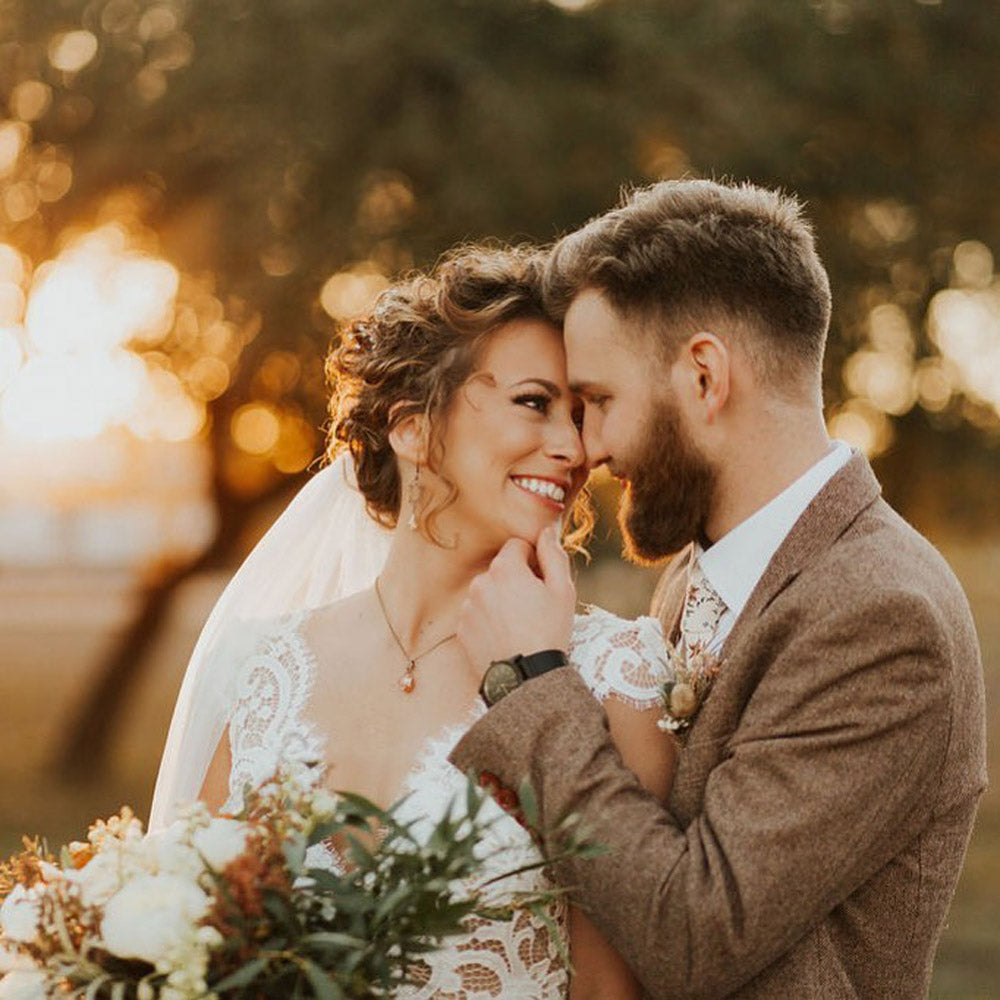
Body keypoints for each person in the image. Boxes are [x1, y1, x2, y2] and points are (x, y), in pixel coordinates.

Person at [449, 180, 988, 998]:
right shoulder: (698, 573)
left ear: (703, 376)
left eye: (598, 401)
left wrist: (529, 677)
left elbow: (697, 934)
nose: (585, 448)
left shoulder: (882, 615)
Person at [150, 246, 677, 999]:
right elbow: (191, 947)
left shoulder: (616, 676)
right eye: (535, 402)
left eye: (582, 414)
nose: (574, 448)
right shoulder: (266, 666)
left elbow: (612, 990)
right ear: (412, 429)